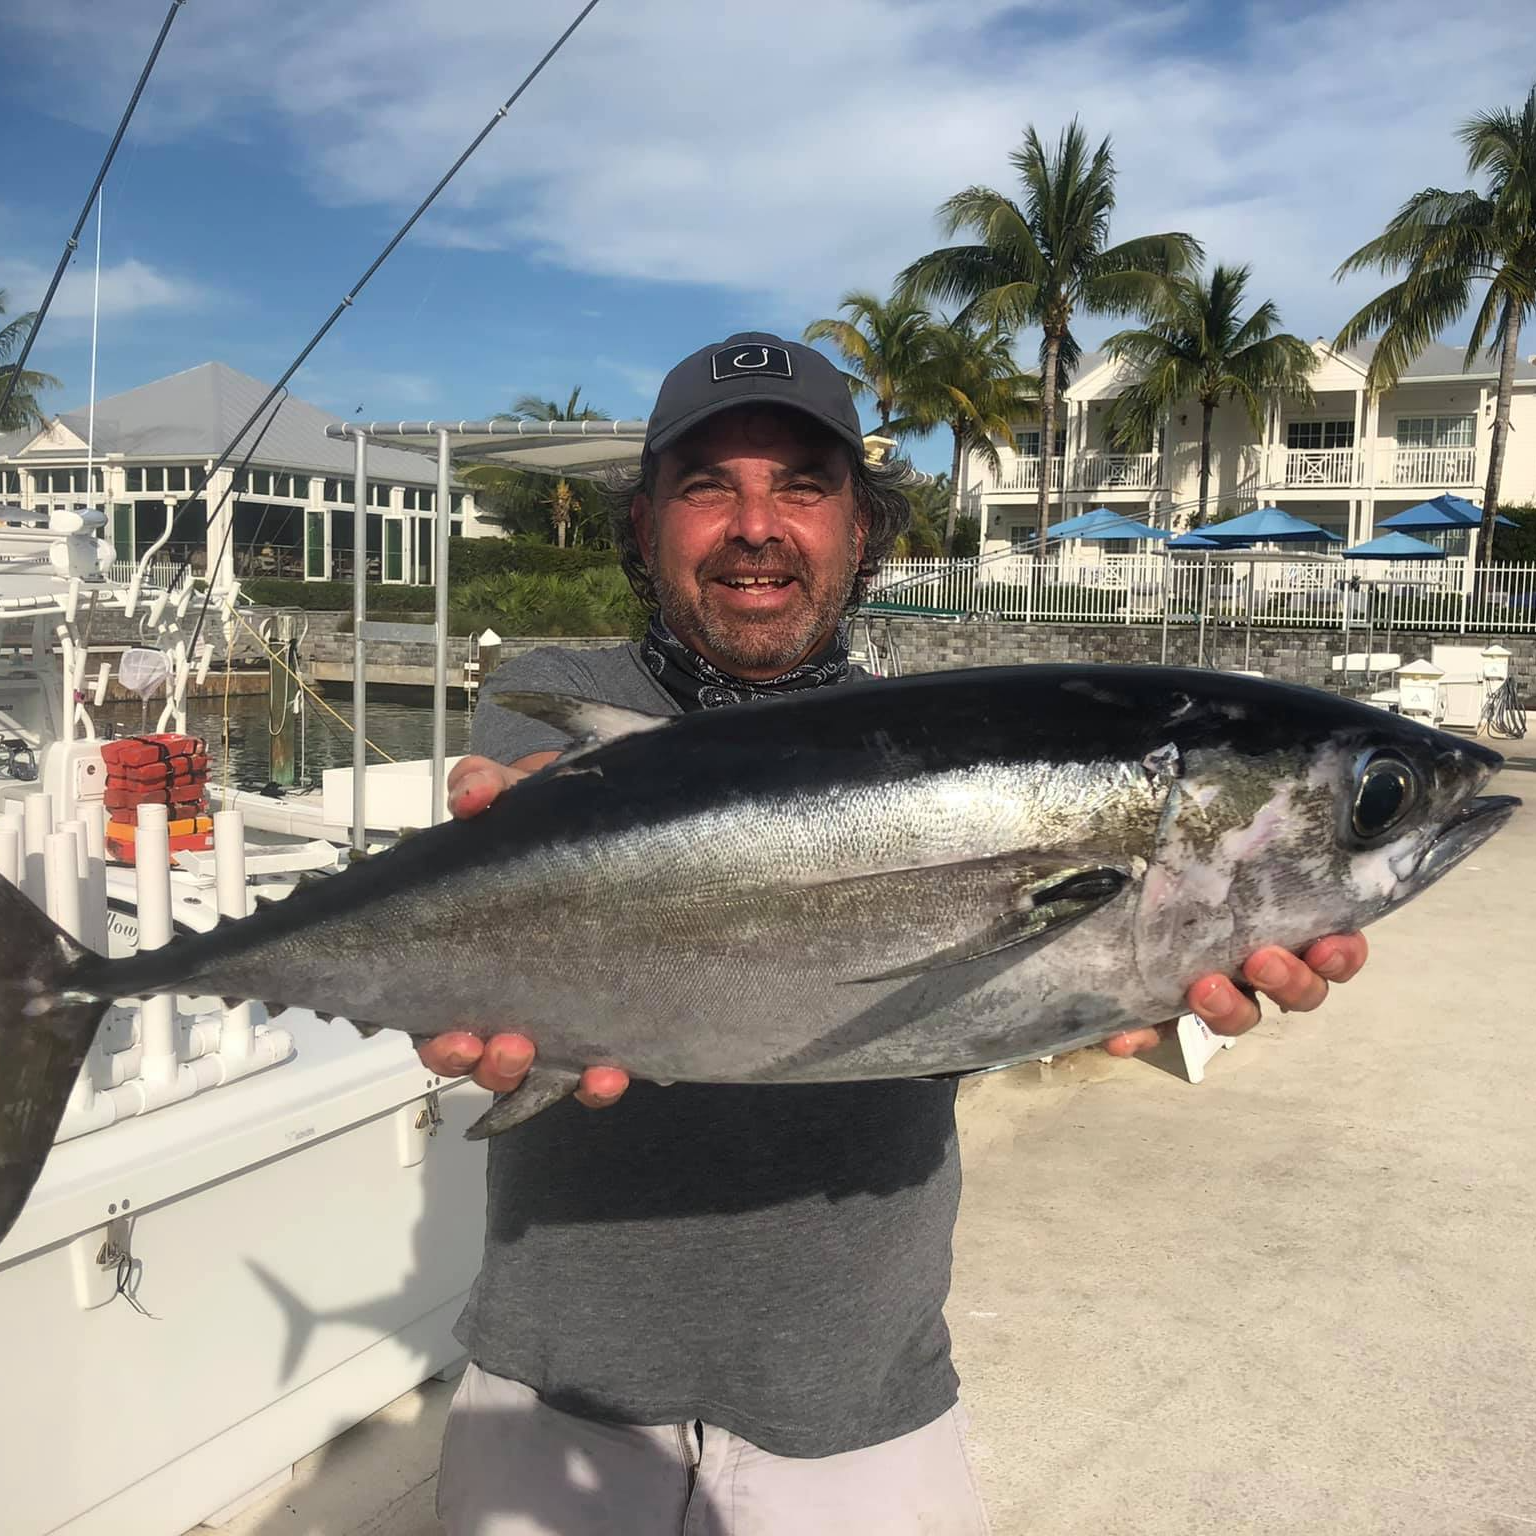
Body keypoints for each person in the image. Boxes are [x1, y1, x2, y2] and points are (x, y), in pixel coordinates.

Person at [421, 332, 1369, 1536]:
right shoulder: (557, 692)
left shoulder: (932, 733)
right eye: (708, 484)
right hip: (555, 1386)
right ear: (646, 522)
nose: (756, 524)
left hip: (858, 1400)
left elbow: (965, 995)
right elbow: (485, 925)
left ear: (860, 530)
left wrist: (1125, 983)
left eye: (802, 486)